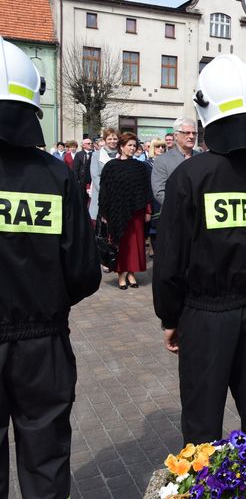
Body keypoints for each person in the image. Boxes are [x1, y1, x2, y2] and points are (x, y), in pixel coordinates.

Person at [153, 54, 246, 444]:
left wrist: (170, 317)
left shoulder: (190, 177)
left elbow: (169, 262)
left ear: (205, 111)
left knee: (202, 421)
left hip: (204, 313)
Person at [0, 35, 101, 499]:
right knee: (45, 463)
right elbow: (82, 270)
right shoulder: (55, 175)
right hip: (43, 343)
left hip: (35, 332)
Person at [99, 132, 152, 289]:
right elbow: (105, 192)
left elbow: (146, 190)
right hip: (117, 212)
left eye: (134, 146)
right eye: (129, 145)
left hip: (136, 212)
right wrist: (104, 213)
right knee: (120, 243)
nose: (132, 148)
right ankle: (121, 274)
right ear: (121, 147)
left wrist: (148, 210)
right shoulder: (111, 166)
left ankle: (132, 273)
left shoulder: (140, 167)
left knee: (135, 244)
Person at [151, 117, 200, 206]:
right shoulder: (162, 160)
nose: (191, 136)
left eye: (194, 133)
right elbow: (159, 192)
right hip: (175, 214)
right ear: (176, 136)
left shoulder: (201, 157)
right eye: (187, 133)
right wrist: (183, 208)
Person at [89, 128, 120, 223]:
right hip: (101, 193)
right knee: (100, 225)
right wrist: (105, 191)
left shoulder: (122, 154)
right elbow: (95, 175)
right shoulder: (96, 155)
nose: (112, 141)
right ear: (105, 140)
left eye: (115, 139)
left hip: (118, 194)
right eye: (109, 139)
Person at [146, 139, 166, 257]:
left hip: (165, 197)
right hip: (152, 200)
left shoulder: (168, 161)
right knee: (154, 229)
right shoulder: (146, 164)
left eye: (163, 147)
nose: (161, 149)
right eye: (158, 147)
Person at [74, 137, 93, 206]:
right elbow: (75, 168)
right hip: (81, 180)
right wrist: (77, 180)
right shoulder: (79, 154)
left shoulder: (94, 154)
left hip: (91, 180)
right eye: (88, 143)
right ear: (83, 145)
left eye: (91, 143)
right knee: (82, 199)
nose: (90, 144)